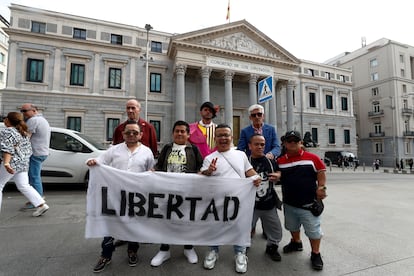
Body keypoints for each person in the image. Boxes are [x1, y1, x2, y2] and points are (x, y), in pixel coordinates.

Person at [87, 121, 155, 273]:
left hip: (137, 196)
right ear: (123, 134)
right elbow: (100, 160)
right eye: (128, 132)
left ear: (141, 135)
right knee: (110, 224)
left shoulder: (147, 152)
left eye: (135, 133)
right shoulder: (114, 150)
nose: (131, 135)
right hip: (115, 194)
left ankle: (132, 251)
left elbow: (150, 170)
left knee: (133, 224)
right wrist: (93, 162)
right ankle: (106, 255)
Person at [200, 124, 261, 274]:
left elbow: (249, 171)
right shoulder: (209, 158)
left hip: (239, 200)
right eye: (219, 135)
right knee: (215, 226)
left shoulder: (240, 155)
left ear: (231, 137)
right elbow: (200, 176)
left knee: (239, 226)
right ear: (215, 139)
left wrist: (256, 178)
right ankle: (213, 251)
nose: (223, 138)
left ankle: (240, 253)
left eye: (226, 135)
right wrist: (209, 171)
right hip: (216, 201)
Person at [150, 120, 203, 267]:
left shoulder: (194, 149)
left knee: (187, 221)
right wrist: (153, 172)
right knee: (166, 221)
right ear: (173, 133)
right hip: (167, 191)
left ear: (188, 134)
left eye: (182, 131)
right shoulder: (167, 148)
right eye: (177, 131)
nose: (179, 134)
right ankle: (164, 250)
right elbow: (159, 165)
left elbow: (201, 166)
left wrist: (200, 174)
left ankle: (188, 247)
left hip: (188, 192)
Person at [277, 130, 327, 271]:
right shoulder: (280, 160)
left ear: (301, 143)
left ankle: (315, 254)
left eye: (295, 140)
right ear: (285, 143)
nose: (292, 143)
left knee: (314, 231)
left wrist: (322, 187)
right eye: (289, 140)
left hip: (308, 204)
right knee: (292, 227)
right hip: (289, 202)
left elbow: (321, 173)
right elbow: (278, 176)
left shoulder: (312, 157)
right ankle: (296, 242)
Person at [112, 98, 158, 247]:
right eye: (128, 108)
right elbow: (114, 151)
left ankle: (144, 234)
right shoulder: (119, 128)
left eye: (133, 108)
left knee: (143, 206)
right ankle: (124, 235)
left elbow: (153, 149)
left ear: (139, 109)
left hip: (142, 176)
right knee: (124, 208)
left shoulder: (149, 127)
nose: (130, 111)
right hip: (124, 177)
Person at [0, 112, 49, 217]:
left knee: (0, 185)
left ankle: (41, 204)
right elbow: (28, 149)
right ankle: (41, 205)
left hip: (12, 163)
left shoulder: (7, 132)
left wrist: (7, 163)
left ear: (8, 120)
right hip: (23, 163)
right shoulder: (23, 132)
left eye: (5, 118)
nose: (4, 120)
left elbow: (8, 149)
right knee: (24, 186)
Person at [248, 134, 283, 262]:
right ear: (250, 146)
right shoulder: (245, 161)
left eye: (262, 144)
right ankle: (243, 247)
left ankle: (272, 247)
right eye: (256, 144)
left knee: (276, 230)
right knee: (245, 228)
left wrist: (278, 175)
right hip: (250, 206)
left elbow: (279, 171)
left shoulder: (270, 161)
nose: (260, 147)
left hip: (269, 204)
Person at [20, 103, 51, 207]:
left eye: (25, 111)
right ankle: (36, 198)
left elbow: (26, 136)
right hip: (42, 152)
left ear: (34, 110)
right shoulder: (42, 120)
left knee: (34, 177)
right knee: (33, 176)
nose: (23, 113)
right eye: (22, 111)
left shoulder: (33, 120)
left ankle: (38, 200)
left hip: (35, 152)